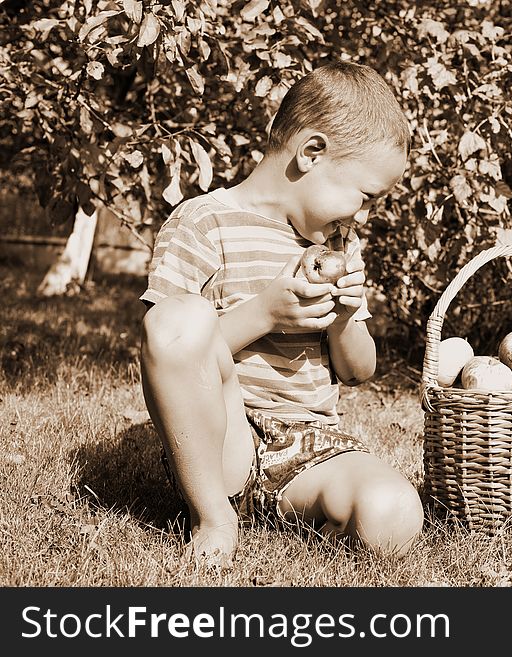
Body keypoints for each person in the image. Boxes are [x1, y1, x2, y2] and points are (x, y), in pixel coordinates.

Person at [139, 61, 424, 566]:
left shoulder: (339, 243)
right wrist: (266, 314)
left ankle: (293, 506)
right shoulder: (203, 222)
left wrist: (345, 316)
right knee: (180, 315)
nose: (360, 215)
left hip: (310, 445)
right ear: (312, 152)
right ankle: (215, 517)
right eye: (363, 196)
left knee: (393, 512)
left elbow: (358, 372)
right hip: (222, 440)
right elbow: (168, 347)